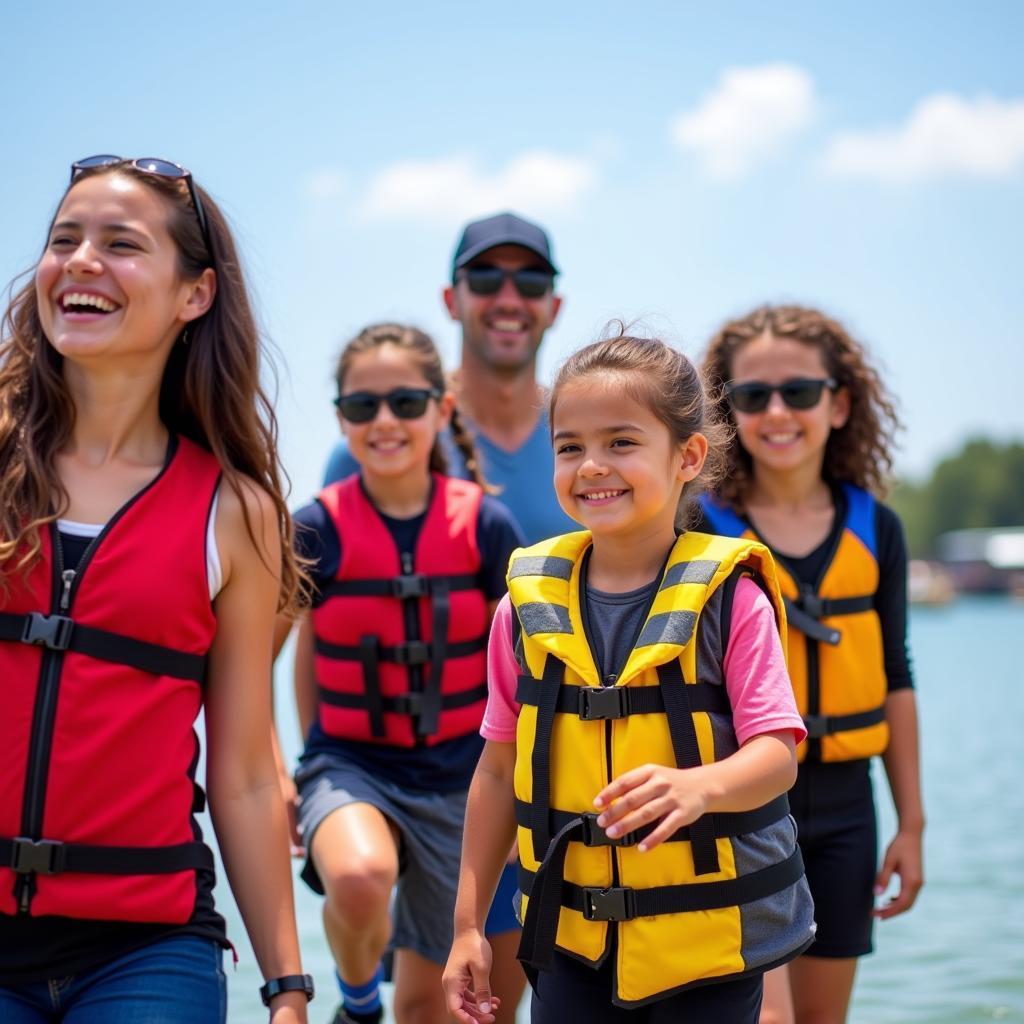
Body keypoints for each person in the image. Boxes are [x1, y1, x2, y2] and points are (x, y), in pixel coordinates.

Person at [0, 157, 311, 1022]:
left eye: (122, 245)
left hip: (148, 947)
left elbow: (245, 773)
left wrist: (287, 987)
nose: (82, 261)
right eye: (65, 240)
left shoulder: (237, 514)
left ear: (194, 295)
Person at [443, 330, 815, 1024]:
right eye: (569, 446)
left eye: (621, 442)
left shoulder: (733, 598)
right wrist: (467, 927)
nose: (591, 466)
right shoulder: (522, 610)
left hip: (707, 943)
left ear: (688, 457)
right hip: (569, 942)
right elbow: (497, 772)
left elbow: (777, 755)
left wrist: (698, 786)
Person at [320, 212, 574, 1020]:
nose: (508, 298)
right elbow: (325, 627)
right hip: (418, 767)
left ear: (552, 306)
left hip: (561, 760)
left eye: (529, 281)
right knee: (429, 1004)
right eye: (486, 280)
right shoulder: (374, 445)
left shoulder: (585, 435)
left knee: (499, 998)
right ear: (452, 297)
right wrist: (313, 761)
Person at [282, 324, 524, 1024]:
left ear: (441, 411)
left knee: (461, 1006)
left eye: (406, 403)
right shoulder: (313, 529)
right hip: (352, 764)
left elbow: (520, 675)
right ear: (340, 420)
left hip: (466, 776)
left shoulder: (487, 527)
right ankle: (358, 1005)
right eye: (363, 407)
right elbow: (265, 656)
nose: (384, 422)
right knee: (359, 878)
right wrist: (287, 770)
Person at [697, 305, 925, 1024]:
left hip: (848, 809)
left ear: (840, 402)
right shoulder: (699, 528)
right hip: (742, 803)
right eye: (750, 395)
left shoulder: (876, 527)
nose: (776, 412)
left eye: (798, 391)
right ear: (722, 412)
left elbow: (896, 675)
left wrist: (911, 824)